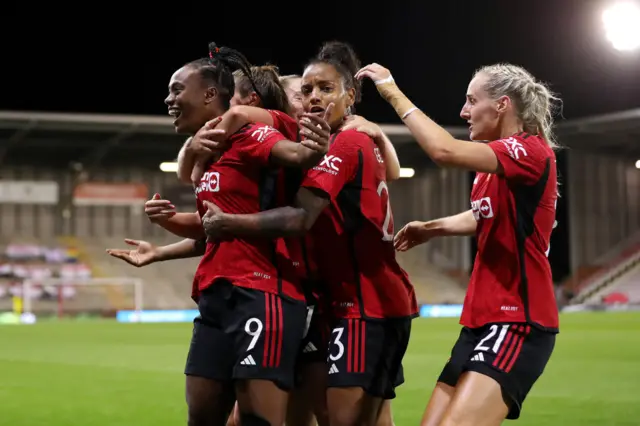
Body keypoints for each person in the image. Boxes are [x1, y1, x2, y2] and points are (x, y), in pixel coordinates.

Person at [110, 42, 333, 426]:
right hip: (215, 297)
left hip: (261, 293)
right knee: (201, 415)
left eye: (177, 89)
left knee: (257, 420)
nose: (169, 99)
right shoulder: (210, 156)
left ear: (211, 95)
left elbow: (295, 155)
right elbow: (211, 227)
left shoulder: (248, 134)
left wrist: (314, 148)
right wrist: (166, 229)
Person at [199, 41, 417, 426]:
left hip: (362, 305)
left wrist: (229, 221)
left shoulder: (343, 143)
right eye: (305, 92)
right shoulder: (326, 143)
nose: (312, 99)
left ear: (349, 96)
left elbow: (299, 216)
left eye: (324, 89)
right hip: (329, 302)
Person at [357, 62, 560, 425]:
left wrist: (391, 91)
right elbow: (482, 215)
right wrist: (431, 228)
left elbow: (444, 152)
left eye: (471, 101)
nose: (463, 112)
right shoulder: (491, 167)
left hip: (517, 321)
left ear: (501, 104)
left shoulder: (529, 150)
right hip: (481, 322)